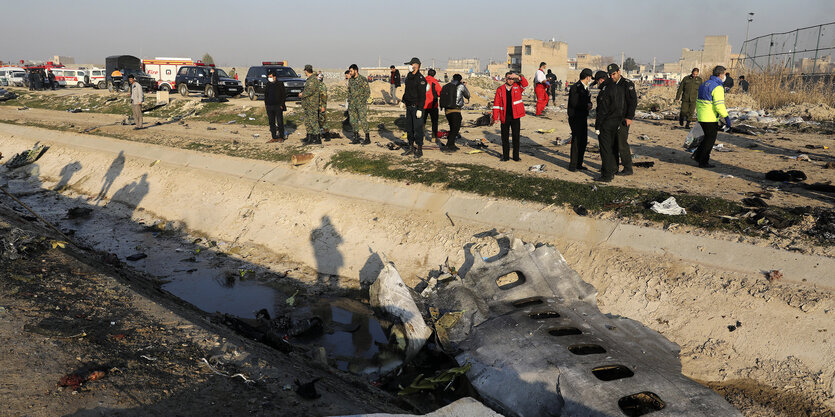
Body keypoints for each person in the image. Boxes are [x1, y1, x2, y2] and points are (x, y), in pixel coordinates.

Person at [694, 65, 731, 168]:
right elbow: (719, 105)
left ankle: (697, 156)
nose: (725, 76)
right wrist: (726, 117)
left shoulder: (704, 84)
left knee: (706, 138)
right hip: (710, 117)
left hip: (702, 115)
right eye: (724, 74)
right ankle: (703, 161)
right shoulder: (718, 87)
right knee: (710, 140)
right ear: (720, 74)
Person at [607, 63, 637, 176]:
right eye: (610, 75)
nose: (612, 77)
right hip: (612, 118)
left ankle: (628, 167)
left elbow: (633, 102)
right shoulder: (610, 84)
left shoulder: (627, 84)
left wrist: (629, 117)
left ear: (619, 72)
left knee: (621, 143)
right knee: (612, 143)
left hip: (623, 119)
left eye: (614, 74)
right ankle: (614, 167)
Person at [491, 71, 528, 161]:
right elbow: (496, 105)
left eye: (512, 79)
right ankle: (505, 156)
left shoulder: (518, 87)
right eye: (509, 78)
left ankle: (516, 157)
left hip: (515, 116)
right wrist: (495, 118)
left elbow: (525, 84)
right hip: (504, 117)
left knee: (516, 137)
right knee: (505, 138)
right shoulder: (500, 89)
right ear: (505, 79)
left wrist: (518, 77)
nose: (511, 80)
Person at [593, 69, 621, 182]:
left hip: (606, 123)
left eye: (597, 82)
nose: (597, 85)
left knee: (605, 149)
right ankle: (613, 170)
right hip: (615, 121)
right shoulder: (616, 87)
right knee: (613, 147)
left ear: (601, 80)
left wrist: (597, 126)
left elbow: (602, 110)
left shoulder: (605, 90)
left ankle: (607, 175)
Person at [567, 68, 594, 171]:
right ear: (588, 77)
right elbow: (574, 103)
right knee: (576, 141)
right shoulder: (576, 87)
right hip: (575, 117)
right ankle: (573, 165)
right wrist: (585, 105)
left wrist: (589, 104)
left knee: (583, 141)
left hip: (583, 117)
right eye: (590, 77)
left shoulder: (586, 88)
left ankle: (579, 163)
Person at [400, 57, 427, 158]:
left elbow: (422, 96)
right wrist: (403, 101)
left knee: (418, 129)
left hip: (416, 108)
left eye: (411, 65)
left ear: (417, 66)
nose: (410, 66)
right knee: (409, 129)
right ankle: (410, 147)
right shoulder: (409, 76)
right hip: (409, 107)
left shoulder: (421, 79)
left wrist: (420, 108)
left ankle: (419, 149)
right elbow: (407, 91)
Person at [441, 73, 469, 152]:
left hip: (447, 110)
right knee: (455, 129)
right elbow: (468, 95)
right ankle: (448, 145)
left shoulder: (447, 86)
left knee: (452, 128)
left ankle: (452, 144)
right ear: (460, 80)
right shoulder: (461, 86)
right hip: (455, 110)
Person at [347, 64, 371, 145]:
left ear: (356, 71)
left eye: (351, 71)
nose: (350, 73)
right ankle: (356, 137)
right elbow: (349, 92)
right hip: (352, 104)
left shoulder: (362, 79)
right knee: (353, 121)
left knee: (363, 120)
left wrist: (362, 101)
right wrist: (349, 101)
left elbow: (367, 92)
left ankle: (367, 138)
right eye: (349, 71)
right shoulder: (350, 80)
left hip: (360, 104)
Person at [300, 64, 322, 145]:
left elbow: (310, 91)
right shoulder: (309, 79)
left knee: (313, 121)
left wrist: (302, 94)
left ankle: (317, 138)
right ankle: (309, 137)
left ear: (306, 71)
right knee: (308, 121)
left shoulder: (312, 80)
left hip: (312, 104)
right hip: (307, 104)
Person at [264, 70, 287, 143]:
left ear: (274, 77)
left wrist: (281, 105)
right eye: (268, 77)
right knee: (271, 122)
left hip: (278, 106)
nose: (269, 78)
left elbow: (283, 95)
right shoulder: (268, 84)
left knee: (280, 122)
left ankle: (281, 137)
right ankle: (274, 137)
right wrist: (266, 105)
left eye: (270, 77)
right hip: (270, 106)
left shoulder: (280, 84)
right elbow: (266, 95)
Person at [422, 68, 442, 142]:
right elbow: (440, 92)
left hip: (423, 104)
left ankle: (422, 136)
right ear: (434, 75)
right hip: (433, 105)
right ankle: (434, 137)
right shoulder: (435, 82)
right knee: (434, 122)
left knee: (422, 122)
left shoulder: (422, 81)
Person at [317, 72, 329, 141]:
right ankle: (319, 134)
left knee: (323, 121)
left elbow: (324, 97)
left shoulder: (322, 86)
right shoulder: (317, 85)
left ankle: (327, 135)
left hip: (321, 106)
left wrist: (323, 106)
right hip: (316, 105)